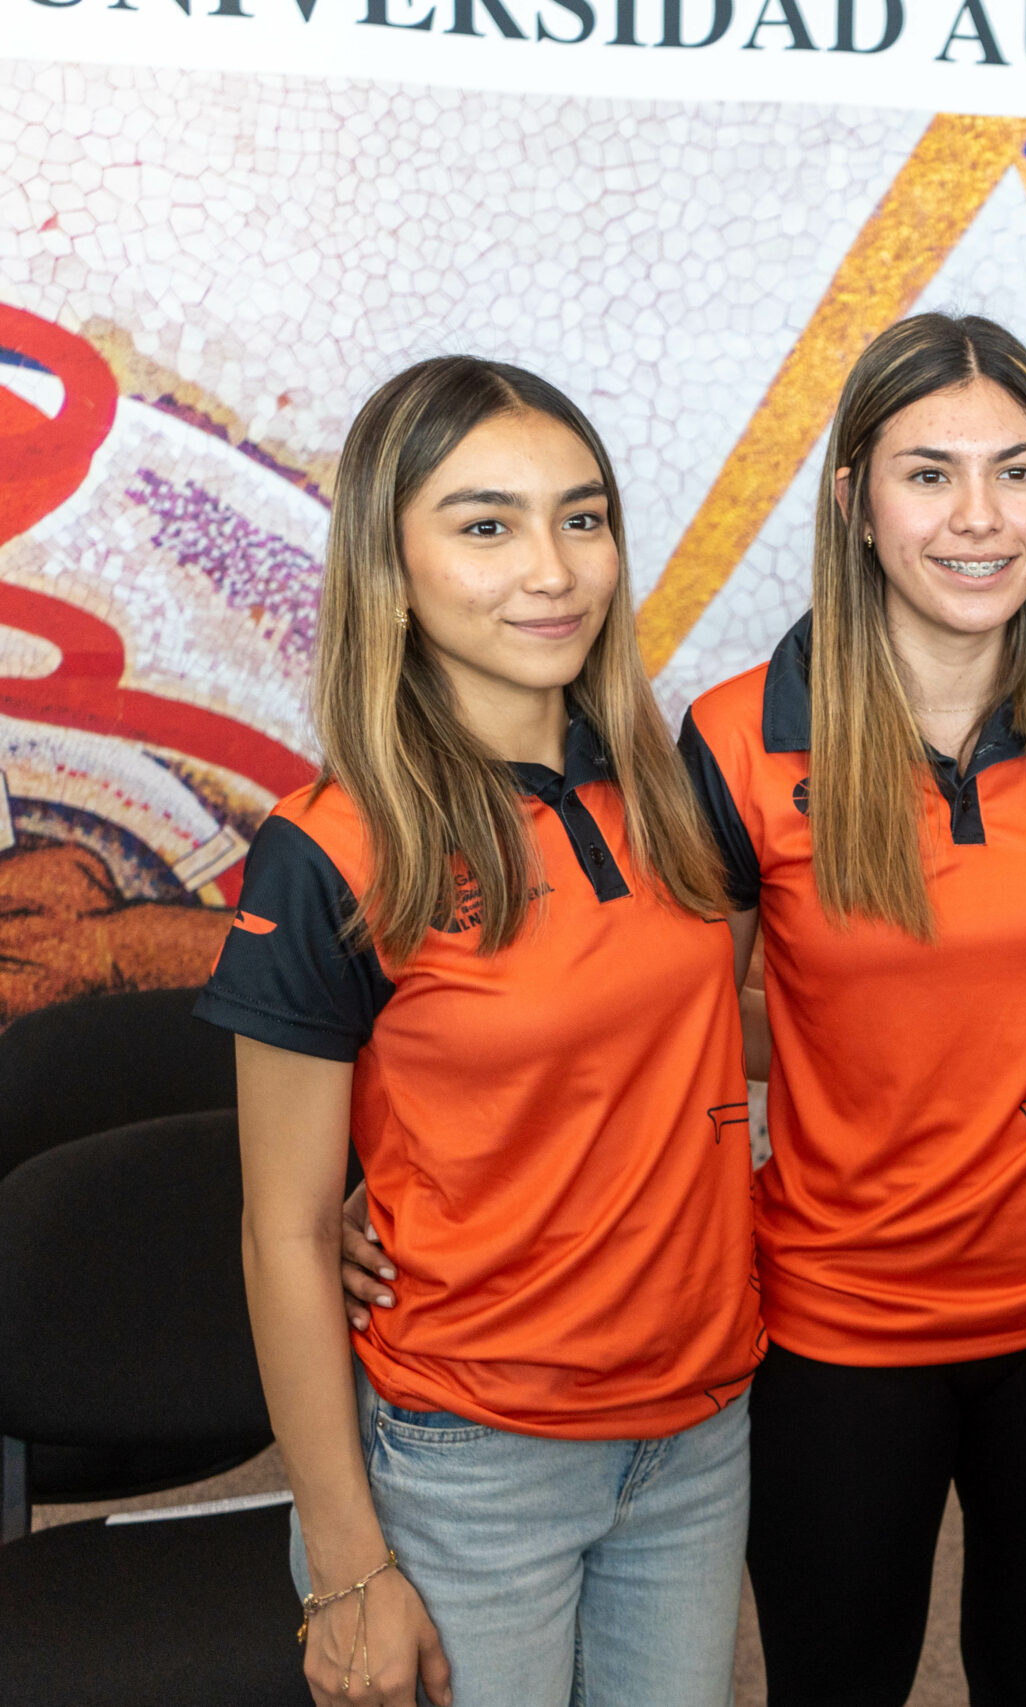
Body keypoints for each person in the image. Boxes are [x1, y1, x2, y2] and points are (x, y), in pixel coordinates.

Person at [205, 357, 762, 1707]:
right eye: (486, 523)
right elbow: (284, 1228)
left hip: (698, 1432)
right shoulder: (333, 850)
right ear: (390, 563)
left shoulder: (670, 791)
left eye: (582, 516)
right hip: (476, 1457)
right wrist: (347, 1567)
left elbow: (688, 1045)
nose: (554, 568)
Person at [678, 313, 1026, 1706]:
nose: (978, 517)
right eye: (928, 472)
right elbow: (652, 1026)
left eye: (1016, 472)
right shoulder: (735, 737)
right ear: (854, 502)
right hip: (838, 1333)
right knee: (838, 1685)